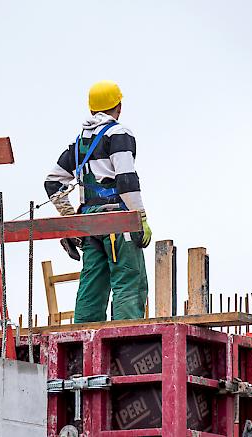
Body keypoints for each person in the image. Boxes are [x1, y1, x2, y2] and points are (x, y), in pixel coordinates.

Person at [44, 80, 151, 323]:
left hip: (90, 224)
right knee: (129, 281)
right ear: (119, 107)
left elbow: (52, 182)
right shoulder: (119, 134)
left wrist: (72, 220)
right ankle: (126, 344)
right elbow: (126, 179)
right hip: (117, 221)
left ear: (92, 109)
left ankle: (82, 347)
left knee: (92, 286)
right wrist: (139, 218)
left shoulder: (81, 142)